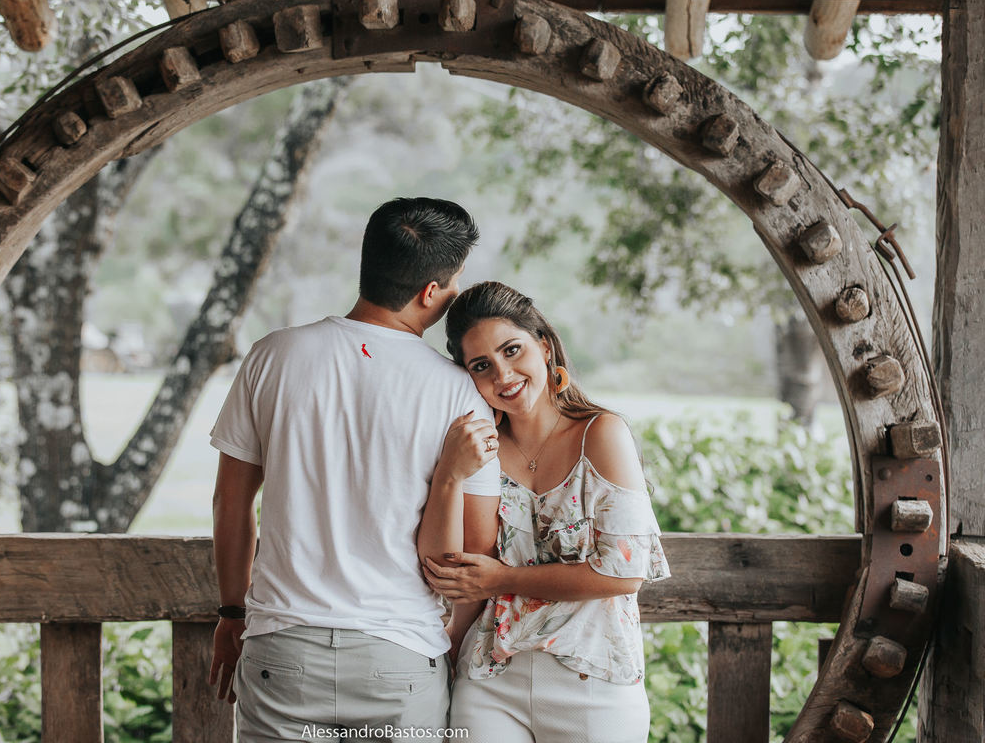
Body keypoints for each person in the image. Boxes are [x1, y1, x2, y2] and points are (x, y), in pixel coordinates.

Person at [208, 198, 503, 743]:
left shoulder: (272, 356)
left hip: (282, 649)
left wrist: (232, 611)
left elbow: (231, 501)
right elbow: (474, 547)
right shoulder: (459, 392)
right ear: (430, 293)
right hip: (400, 658)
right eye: (455, 281)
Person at [421, 281, 670, 743]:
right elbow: (471, 572)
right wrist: (451, 654)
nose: (503, 374)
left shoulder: (601, 433)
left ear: (544, 346)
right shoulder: (482, 451)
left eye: (512, 350)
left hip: (593, 682)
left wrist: (503, 579)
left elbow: (624, 574)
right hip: (489, 682)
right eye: (481, 365)